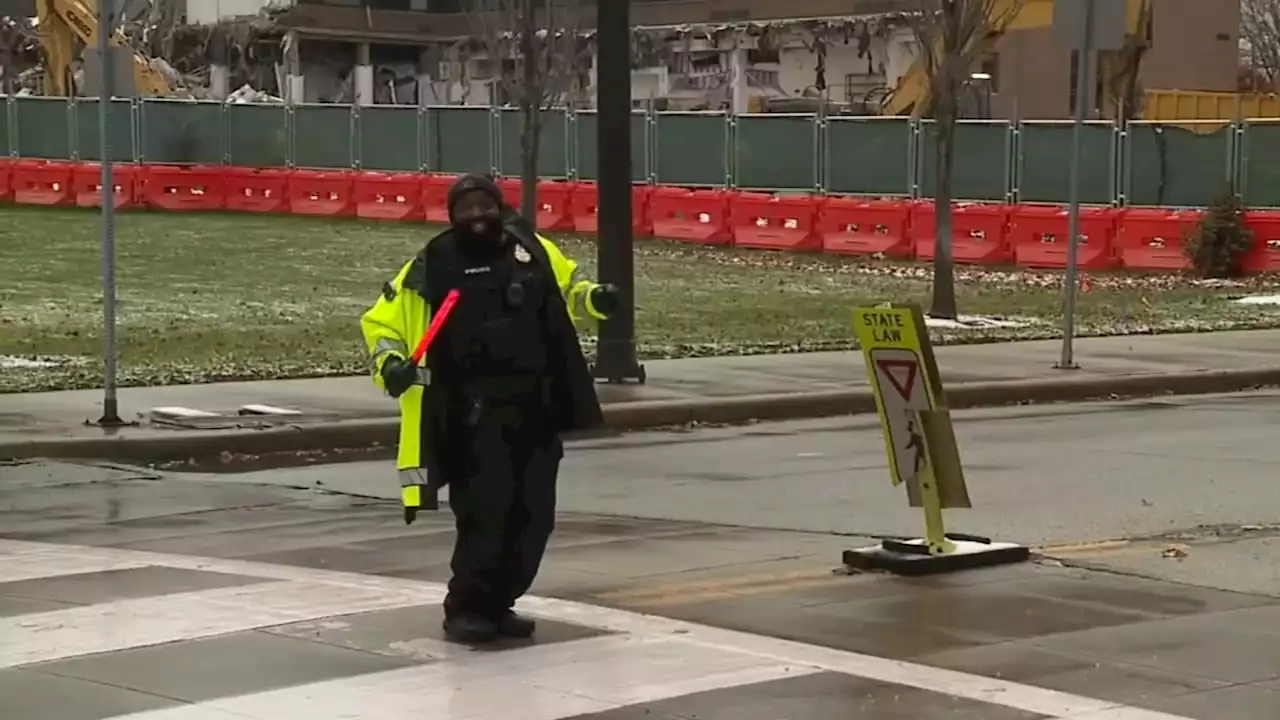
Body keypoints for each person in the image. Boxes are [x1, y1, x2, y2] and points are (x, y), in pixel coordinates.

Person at [360, 173, 620, 644]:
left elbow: (572, 289)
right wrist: (390, 363)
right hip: (471, 416)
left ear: (500, 208)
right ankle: (466, 608)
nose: (477, 216)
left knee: (534, 514)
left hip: (537, 409)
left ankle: (501, 602)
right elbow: (381, 322)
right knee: (486, 512)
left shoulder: (531, 250)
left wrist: (596, 299)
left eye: (486, 206)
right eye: (467, 208)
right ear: (452, 215)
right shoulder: (433, 263)